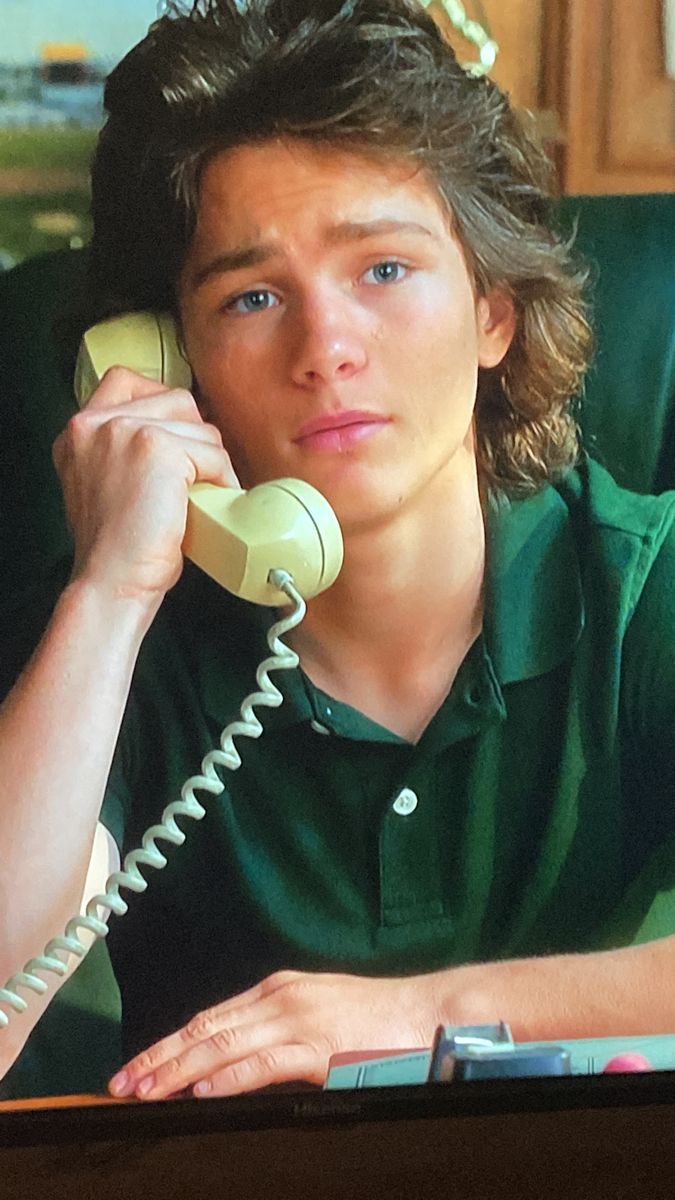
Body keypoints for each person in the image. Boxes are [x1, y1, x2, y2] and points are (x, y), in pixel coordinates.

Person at [2, 0, 675, 1102]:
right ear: (169, 360)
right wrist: (113, 594)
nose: (327, 350)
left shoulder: (642, 585)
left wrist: (414, 1021)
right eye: (252, 296)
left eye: (385, 270)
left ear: (494, 312)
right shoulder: (111, 641)